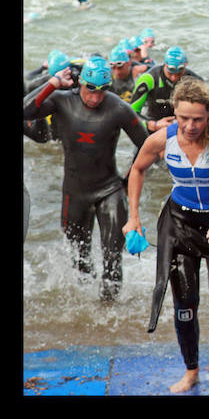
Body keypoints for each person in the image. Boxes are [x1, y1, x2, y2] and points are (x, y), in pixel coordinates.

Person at [123, 77, 209, 394]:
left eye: (197, 119)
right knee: (184, 303)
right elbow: (137, 169)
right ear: (176, 112)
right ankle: (191, 370)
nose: (189, 126)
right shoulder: (162, 139)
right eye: (183, 118)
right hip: (180, 224)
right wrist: (134, 217)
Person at [23, 56, 149, 300]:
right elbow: (25, 110)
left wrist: (128, 181)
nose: (96, 97)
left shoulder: (118, 109)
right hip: (75, 193)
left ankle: (109, 314)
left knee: (112, 260)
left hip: (109, 192)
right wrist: (52, 83)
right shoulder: (61, 100)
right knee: (80, 259)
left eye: (102, 90)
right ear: (81, 83)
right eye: (91, 89)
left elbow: (146, 146)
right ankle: (86, 317)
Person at [130, 46, 202, 130]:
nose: (174, 78)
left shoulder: (195, 82)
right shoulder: (149, 79)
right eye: (170, 73)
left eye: (179, 74)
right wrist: (153, 125)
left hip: (184, 128)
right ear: (165, 65)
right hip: (154, 125)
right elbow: (131, 115)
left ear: (185, 66)